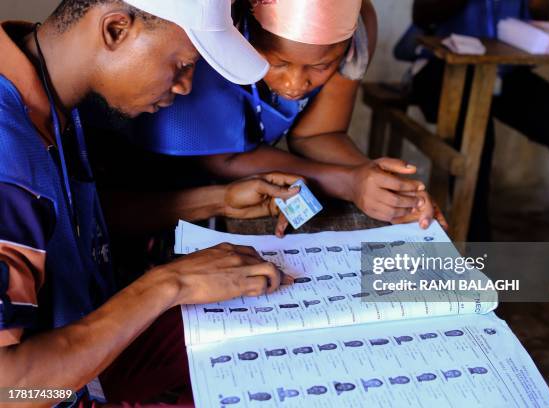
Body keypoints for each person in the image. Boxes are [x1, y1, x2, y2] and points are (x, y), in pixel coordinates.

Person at [0, 0, 304, 405]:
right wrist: (169, 284)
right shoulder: (7, 151)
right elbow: (9, 388)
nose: (185, 87)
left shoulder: (42, 93)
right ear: (115, 30)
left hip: (88, 360)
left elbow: (60, 227)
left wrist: (219, 200)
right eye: (181, 64)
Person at [123, 0, 447, 237]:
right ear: (241, 34)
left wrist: (376, 182)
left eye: (322, 67)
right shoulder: (214, 31)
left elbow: (319, 135)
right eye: (278, 64)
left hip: (252, 182)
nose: (295, 85)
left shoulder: (356, 30)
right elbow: (221, 157)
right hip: (150, 185)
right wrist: (347, 182)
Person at [395, 0, 549, 333]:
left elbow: (543, 13)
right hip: (442, 68)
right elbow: (422, 14)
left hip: (505, 71)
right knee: (477, 134)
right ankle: (480, 270)